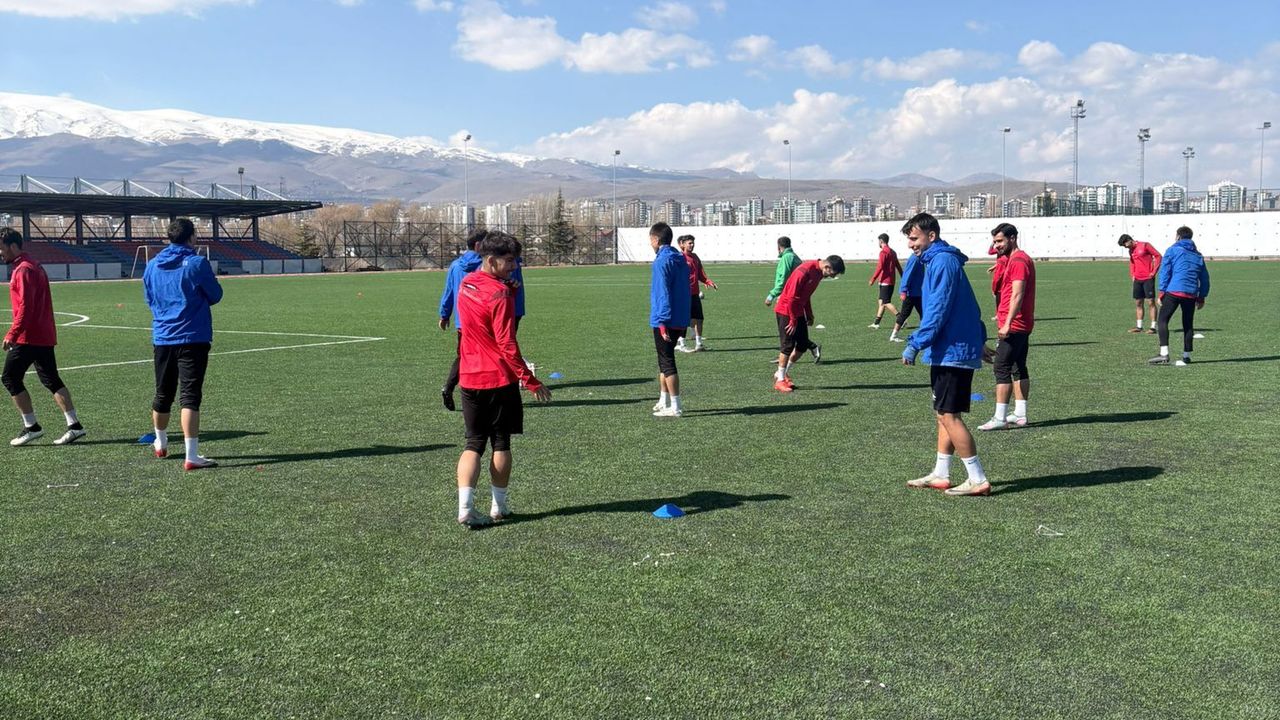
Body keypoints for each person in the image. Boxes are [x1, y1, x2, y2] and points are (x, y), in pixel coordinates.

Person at [453, 230, 551, 528]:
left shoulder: (467, 283)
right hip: (497, 378)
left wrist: (508, 287)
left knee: (473, 443)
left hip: (469, 376)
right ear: (491, 259)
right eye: (509, 260)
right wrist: (530, 380)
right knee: (500, 442)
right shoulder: (501, 294)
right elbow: (506, 343)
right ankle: (499, 506)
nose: (514, 266)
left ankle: (465, 508)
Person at [899, 213, 991, 496]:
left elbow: (937, 310)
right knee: (942, 414)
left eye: (914, 238)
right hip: (948, 349)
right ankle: (941, 473)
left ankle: (978, 479)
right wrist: (978, 339)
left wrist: (916, 342)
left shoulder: (943, 262)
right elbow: (969, 306)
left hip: (952, 350)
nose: (911, 245)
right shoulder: (936, 261)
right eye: (909, 239)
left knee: (950, 415)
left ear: (932, 236)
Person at [143, 218, 223, 470]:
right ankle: (192, 455)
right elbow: (216, 295)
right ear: (192, 237)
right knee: (190, 396)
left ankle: (160, 442)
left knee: (162, 392)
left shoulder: (152, 265)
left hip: (163, 336)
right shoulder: (197, 263)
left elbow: (149, 298)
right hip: (193, 336)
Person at [1, 228, 86, 446]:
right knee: (51, 379)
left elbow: (26, 307)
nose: (0, 253)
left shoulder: (24, 269)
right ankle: (74, 425)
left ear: (12, 246)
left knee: (10, 377)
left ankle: (32, 427)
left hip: (29, 336)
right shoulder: (33, 265)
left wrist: (13, 333)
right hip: (43, 333)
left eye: (1, 248)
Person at [978, 223, 1035, 431]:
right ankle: (1020, 414)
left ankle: (1000, 417)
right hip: (1020, 323)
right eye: (995, 242)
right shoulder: (1015, 258)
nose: (996, 246)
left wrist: (1008, 323)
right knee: (1018, 367)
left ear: (1012, 238)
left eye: (1000, 241)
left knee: (1001, 368)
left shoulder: (1018, 260)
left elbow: (1018, 294)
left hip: (1015, 324)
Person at [772, 255, 845, 392]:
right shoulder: (804, 271)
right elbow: (791, 297)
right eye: (833, 274)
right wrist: (793, 319)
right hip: (786, 310)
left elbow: (806, 295)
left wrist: (809, 313)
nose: (832, 276)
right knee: (787, 346)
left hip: (798, 311)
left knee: (802, 345)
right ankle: (780, 381)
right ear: (827, 267)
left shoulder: (819, 273)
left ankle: (781, 374)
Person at [1149, 226, 1209, 366]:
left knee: (1163, 320)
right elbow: (1205, 278)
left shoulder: (1172, 250)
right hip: (1191, 293)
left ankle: (1164, 353)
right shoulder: (1198, 255)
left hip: (1174, 291)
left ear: (1178, 236)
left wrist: (1162, 291)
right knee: (1188, 324)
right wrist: (1201, 296)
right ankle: (1186, 356)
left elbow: (1165, 271)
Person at [438, 230, 484, 411]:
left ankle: (449, 387)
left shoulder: (456, 265)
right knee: (487, 355)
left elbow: (449, 291)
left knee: (464, 356)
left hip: (462, 321)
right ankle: (478, 393)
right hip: (482, 320)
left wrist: (444, 314)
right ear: (478, 245)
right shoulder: (485, 265)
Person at [648, 222, 691, 417]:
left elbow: (662, 294)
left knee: (667, 362)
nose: (650, 243)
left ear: (656, 240)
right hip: (680, 316)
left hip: (666, 319)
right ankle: (663, 399)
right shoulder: (680, 259)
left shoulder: (661, 262)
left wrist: (662, 322)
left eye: (651, 240)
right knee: (663, 360)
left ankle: (676, 406)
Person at [765, 236, 820, 362]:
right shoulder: (795, 257)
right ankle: (810, 347)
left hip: (787, 297)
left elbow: (783, 279)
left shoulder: (786, 258)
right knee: (794, 329)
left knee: (787, 329)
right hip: (797, 298)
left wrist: (772, 295)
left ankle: (784, 357)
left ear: (779, 247)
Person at [676, 234, 717, 352]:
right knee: (684, 320)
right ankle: (681, 344)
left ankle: (699, 344)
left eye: (693, 243)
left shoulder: (695, 257)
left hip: (694, 294)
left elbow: (700, 273)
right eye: (689, 243)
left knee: (699, 319)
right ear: (683, 244)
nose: (692, 245)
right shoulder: (679, 257)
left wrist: (707, 281)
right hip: (683, 294)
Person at [1119, 233, 1162, 334]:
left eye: (1125, 244)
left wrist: (1154, 272)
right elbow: (1132, 262)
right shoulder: (1131, 250)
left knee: (1150, 302)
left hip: (1148, 278)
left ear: (1129, 240)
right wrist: (1132, 274)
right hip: (1137, 279)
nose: (1125, 247)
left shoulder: (1145, 245)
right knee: (1138, 302)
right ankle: (1139, 326)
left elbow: (1158, 256)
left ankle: (1153, 327)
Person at [868, 233, 902, 329]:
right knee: (881, 302)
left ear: (881, 241)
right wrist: (903, 276)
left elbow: (880, 267)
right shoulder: (893, 252)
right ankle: (876, 323)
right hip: (891, 281)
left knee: (886, 302)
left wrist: (873, 279)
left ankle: (901, 319)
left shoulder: (883, 252)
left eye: (878, 241)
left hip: (885, 281)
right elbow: (898, 265)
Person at [888, 250, 922, 343]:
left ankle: (925, 334)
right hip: (912, 293)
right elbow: (907, 275)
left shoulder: (920, 258)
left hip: (918, 292)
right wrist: (903, 290)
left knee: (924, 314)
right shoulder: (914, 259)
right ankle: (893, 336)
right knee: (904, 314)